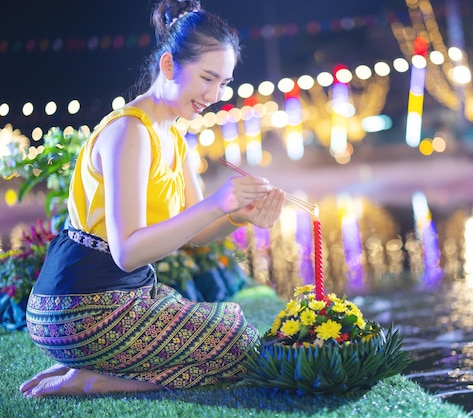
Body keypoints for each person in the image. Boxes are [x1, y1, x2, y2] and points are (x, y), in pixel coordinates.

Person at [19, 0, 284, 397]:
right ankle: (95, 378)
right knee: (240, 346)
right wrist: (217, 202)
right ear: (167, 65)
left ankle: (89, 362)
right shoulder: (131, 131)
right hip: (79, 305)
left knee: (234, 326)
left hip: (118, 297)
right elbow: (127, 252)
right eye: (207, 78)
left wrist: (238, 215)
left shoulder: (173, 135)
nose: (215, 94)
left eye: (224, 83)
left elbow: (195, 232)